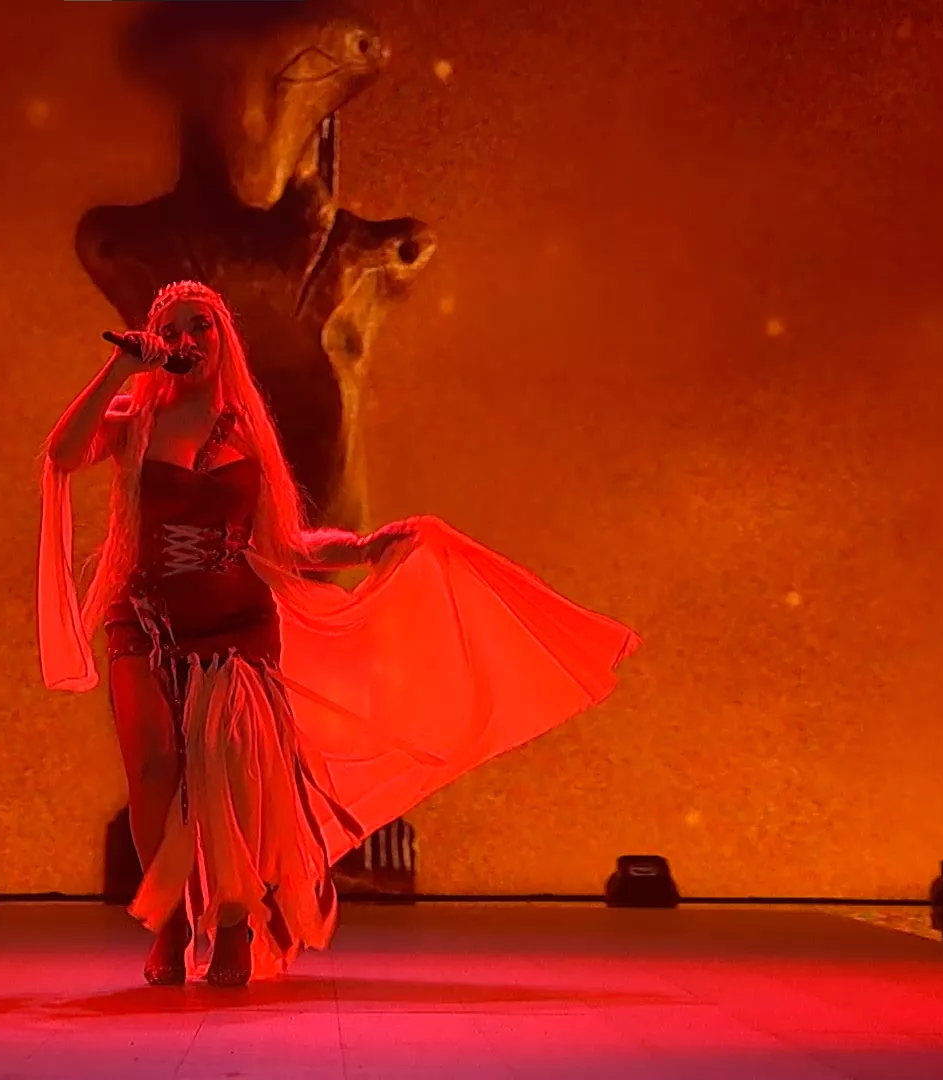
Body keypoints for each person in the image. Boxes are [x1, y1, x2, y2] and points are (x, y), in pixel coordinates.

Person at [39, 280, 638, 988]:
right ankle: (169, 922)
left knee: (232, 779)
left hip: (235, 627)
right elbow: (62, 453)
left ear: (224, 339)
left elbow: (282, 544)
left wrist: (361, 546)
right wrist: (120, 368)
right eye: (172, 329)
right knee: (152, 769)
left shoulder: (246, 433)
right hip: (144, 618)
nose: (187, 340)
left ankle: (232, 922)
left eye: (201, 326)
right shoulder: (133, 419)